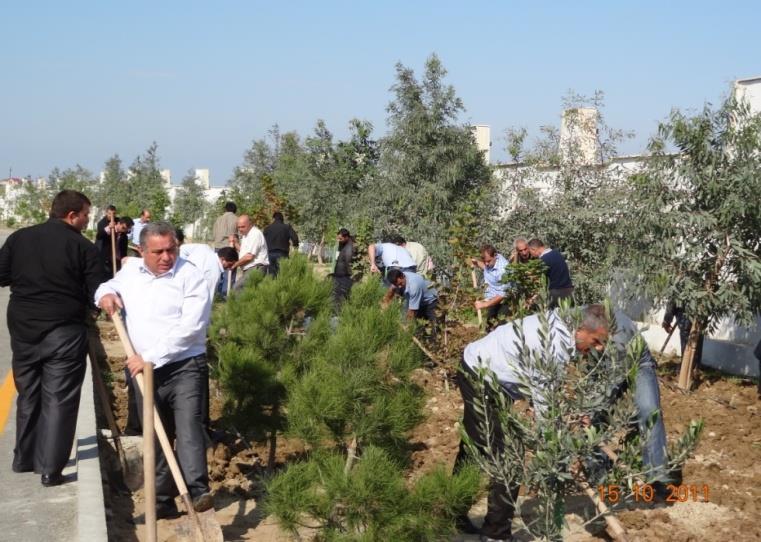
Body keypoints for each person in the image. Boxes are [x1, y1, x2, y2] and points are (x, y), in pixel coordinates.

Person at [454, 305, 672, 540]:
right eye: (597, 341)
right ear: (580, 330)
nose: (599, 348)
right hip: (480, 376)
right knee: (509, 459)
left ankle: (453, 510)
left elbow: (549, 395)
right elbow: (545, 409)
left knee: (475, 446)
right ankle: (496, 534)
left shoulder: (565, 327)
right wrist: (562, 450)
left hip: (491, 374)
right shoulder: (552, 345)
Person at [95, 221, 213, 518]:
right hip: (142, 369)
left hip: (184, 365)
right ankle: (162, 500)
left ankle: (197, 492)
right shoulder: (131, 271)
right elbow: (106, 287)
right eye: (158, 252)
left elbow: (191, 327)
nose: (166, 257)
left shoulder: (191, 275)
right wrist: (106, 296)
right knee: (155, 435)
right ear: (142, 251)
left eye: (171, 250)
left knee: (188, 429)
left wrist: (148, 355)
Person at [0, 190, 105, 487]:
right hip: (64, 331)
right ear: (72, 215)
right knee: (59, 398)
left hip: (23, 328)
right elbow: (97, 293)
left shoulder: (20, 238)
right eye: (86, 214)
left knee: (29, 392)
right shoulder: (83, 248)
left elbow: (2, 274)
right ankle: (50, 468)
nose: (88, 220)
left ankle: (25, 458)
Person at [471, 244, 511, 329]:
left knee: (501, 327)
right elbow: (486, 267)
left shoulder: (503, 269)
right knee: (490, 327)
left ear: (495, 255)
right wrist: (477, 263)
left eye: (488, 261)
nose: (486, 263)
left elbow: (502, 294)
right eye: (485, 261)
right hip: (493, 297)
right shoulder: (491, 262)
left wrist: (484, 304)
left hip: (505, 300)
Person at [527, 238, 573, 308]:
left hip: (556, 295)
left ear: (534, 249)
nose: (532, 255)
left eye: (531, 252)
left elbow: (541, 283)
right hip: (569, 292)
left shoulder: (543, 261)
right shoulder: (556, 253)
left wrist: (532, 299)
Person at [230, 214, 269, 290]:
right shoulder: (246, 235)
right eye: (239, 227)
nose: (240, 229)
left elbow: (249, 256)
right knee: (250, 292)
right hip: (250, 268)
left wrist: (235, 264)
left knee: (237, 288)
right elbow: (243, 252)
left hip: (256, 268)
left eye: (243, 227)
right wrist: (235, 243)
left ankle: (237, 302)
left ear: (250, 224)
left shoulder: (255, 234)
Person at [662, 300, 703, 365]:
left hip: (685, 323)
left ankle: (686, 368)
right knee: (697, 342)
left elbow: (671, 303)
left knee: (687, 347)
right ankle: (695, 368)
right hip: (698, 322)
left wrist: (666, 322)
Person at [263, 211, 299, 276]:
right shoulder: (287, 227)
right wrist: (295, 246)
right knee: (282, 275)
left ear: (273, 218)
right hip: (282, 254)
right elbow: (295, 238)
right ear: (282, 219)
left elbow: (262, 242)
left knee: (271, 276)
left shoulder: (267, 228)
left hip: (270, 254)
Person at [331, 228, 355, 308]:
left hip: (343, 277)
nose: (338, 240)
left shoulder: (349, 248)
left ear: (346, 237)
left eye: (340, 238)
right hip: (339, 275)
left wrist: (350, 277)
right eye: (338, 238)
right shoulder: (344, 244)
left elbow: (348, 263)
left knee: (340, 297)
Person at [95, 204, 118, 275]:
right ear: (106, 213)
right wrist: (108, 228)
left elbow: (125, 228)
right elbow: (99, 235)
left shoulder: (117, 220)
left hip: (113, 249)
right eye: (109, 214)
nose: (112, 216)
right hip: (103, 249)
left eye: (114, 214)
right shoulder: (101, 223)